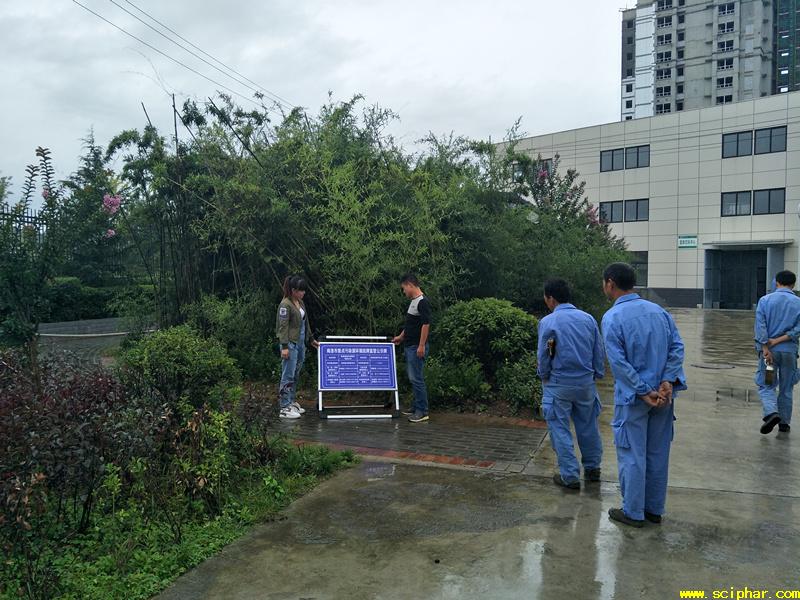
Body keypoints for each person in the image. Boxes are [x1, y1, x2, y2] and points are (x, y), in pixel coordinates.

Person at [601, 262, 686, 528]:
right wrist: (666, 381)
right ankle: (654, 509)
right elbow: (677, 347)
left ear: (610, 283)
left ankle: (633, 511)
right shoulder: (659, 312)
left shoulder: (613, 318)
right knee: (658, 453)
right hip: (663, 397)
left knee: (632, 454)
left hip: (635, 399)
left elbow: (619, 363)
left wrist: (643, 390)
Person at [537, 278, 605, 490]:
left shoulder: (548, 322)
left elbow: (544, 355)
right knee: (588, 426)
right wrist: (597, 373)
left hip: (558, 384)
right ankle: (593, 469)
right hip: (585, 383)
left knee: (560, 428)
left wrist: (544, 375)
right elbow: (598, 350)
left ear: (550, 298)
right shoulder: (588, 319)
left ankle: (570, 476)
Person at [754, 270, 800, 435]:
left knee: (767, 385)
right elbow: (798, 329)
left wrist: (766, 348)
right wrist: (780, 340)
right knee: (787, 387)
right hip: (789, 353)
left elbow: (760, 327)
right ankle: (784, 424)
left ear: (777, 282)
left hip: (770, 355)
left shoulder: (765, 300)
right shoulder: (798, 302)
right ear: (793, 284)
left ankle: (771, 413)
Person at [276, 275, 319, 419]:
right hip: (290, 343)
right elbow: (282, 327)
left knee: (296, 373)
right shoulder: (285, 305)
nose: (303, 293)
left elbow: (305, 323)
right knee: (288, 373)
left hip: (301, 342)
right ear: (293, 290)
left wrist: (311, 338)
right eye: (301, 290)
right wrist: (284, 346)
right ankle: (284, 406)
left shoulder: (300, 302)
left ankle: (291, 401)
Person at [392, 274, 432, 423]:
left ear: (410, 285)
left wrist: (421, 345)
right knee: (413, 378)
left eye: (404, 288)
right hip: (410, 345)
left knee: (416, 378)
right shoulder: (414, 301)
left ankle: (422, 411)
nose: (404, 292)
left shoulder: (422, 302)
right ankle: (416, 407)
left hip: (416, 347)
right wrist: (401, 337)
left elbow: (426, 324)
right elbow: (410, 324)